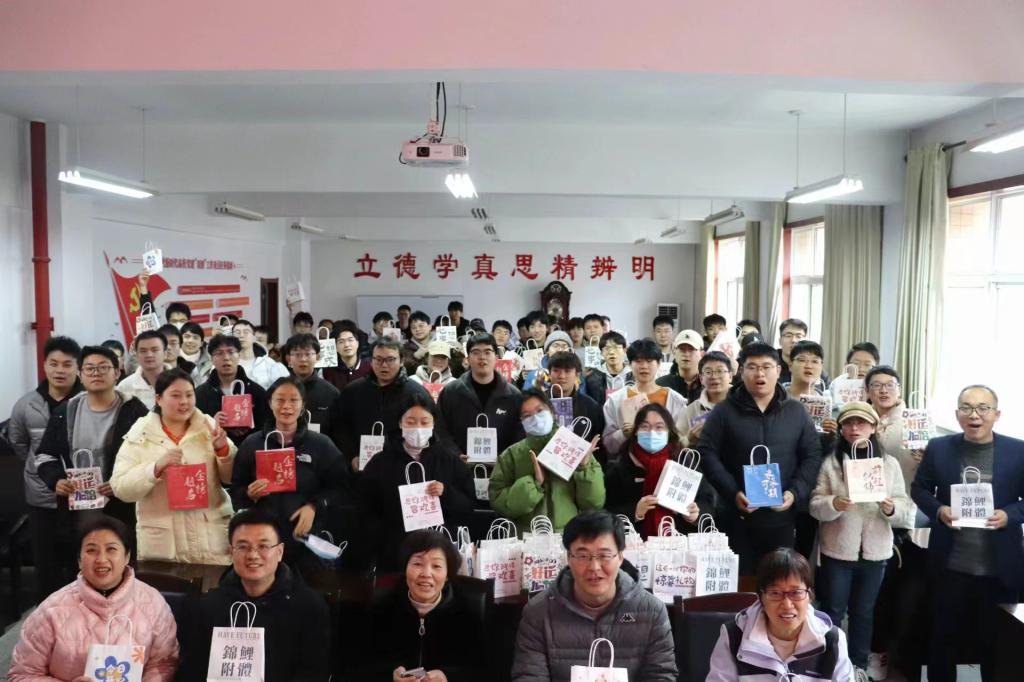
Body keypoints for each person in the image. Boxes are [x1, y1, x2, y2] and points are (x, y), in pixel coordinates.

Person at [911, 385, 1024, 682]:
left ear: (997, 414)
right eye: (967, 408)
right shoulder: (939, 447)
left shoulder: (1018, 450)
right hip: (950, 564)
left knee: (994, 643)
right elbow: (919, 488)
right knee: (942, 639)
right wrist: (939, 510)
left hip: (998, 568)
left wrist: (1009, 515)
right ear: (957, 414)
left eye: (983, 408)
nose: (975, 415)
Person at [697, 342, 822, 573]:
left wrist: (794, 492)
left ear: (778, 370)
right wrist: (733, 492)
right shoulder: (724, 411)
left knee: (778, 579)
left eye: (766, 367)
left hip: (781, 517)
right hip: (735, 515)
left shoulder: (796, 411)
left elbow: (812, 455)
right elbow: (706, 452)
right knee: (739, 582)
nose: (760, 374)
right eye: (752, 367)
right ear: (741, 371)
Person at [8, 516, 179, 682]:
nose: (101, 559)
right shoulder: (51, 611)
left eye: (111, 549)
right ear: (79, 560)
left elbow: (163, 664)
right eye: (91, 550)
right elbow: (21, 675)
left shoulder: (153, 603)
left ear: (127, 557)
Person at [511, 510, 677, 681]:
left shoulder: (652, 611)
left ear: (620, 557)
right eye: (583, 556)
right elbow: (530, 676)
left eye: (604, 555)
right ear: (568, 557)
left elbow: (661, 675)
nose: (594, 567)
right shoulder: (539, 612)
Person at [809, 402, 909, 677]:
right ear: (841, 429)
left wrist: (891, 508)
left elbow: (904, 506)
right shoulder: (832, 463)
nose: (855, 428)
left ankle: (859, 666)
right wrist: (834, 503)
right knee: (833, 610)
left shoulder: (889, 464)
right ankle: (831, 665)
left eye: (862, 423)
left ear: (874, 427)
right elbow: (815, 504)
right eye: (849, 423)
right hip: (838, 551)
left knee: (864, 612)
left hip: (876, 552)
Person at [36, 344, 151, 576]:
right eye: (89, 368)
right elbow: (45, 455)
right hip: (78, 511)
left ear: (117, 373)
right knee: (82, 568)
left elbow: (149, 459)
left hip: (122, 508)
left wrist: (123, 483)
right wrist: (56, 480)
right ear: (80, 374)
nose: (96, 373)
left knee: (121, 568)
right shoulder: (65, 411)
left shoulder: (135, 411)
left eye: (103, 367)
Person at [177, 509, 330, 681]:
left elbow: (313, 672)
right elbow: (192, 670)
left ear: (279, 552)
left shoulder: (309, 606)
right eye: (243, 547)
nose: (253, 555)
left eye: (263, 546)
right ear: (231, 552)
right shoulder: (207, 606)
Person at [110, 368, 237, 564]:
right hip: (164, 545)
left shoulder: (208, 427)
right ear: (158, 399)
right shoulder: (141, 433)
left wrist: (222, 450)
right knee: (167, 585)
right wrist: (154, 469)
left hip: (211, 540)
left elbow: (233, 478)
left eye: (189, 395)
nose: (184, 401)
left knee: (215, 583)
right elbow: (120, 488)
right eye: (176, 396)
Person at [232, 377, 349, 574]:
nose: (286, 406)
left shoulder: (321, 444)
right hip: (263, 542)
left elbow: (341, 488)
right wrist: (249, 494)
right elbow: (236, 491)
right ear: (270, 403)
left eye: (294, 400)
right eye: (280, 400)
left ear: (303, 406)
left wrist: (314, 506)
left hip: (307, 541)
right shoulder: (252, 444)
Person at [359, 393, 475, 570]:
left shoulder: (449, 461)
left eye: (424, 422)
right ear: (400, 423)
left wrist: (446, 493)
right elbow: (366, 509)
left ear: (434, 424)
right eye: (411, 422)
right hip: (394, 554)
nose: (418, 428)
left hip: (440, 553)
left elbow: (468, 507)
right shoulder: (380, 462)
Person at [9, 335, 84, 601]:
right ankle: (47, 614)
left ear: (78, 368)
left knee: (80, 560)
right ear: (44, 366)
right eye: (54, 363)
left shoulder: (88, 402)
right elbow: (19, 443)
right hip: (41, 496)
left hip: (81, 495)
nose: (60, 370)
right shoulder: (26, 404)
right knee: (46, 563)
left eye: (67, 364)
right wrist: (40, 469)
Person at [706, 548, 854, 682]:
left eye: (796, 593)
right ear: (761, 598)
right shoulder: (734, 636)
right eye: (775, 593)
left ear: (809, 595)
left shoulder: (832, 640)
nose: (787, 604)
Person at [357, 529, 487, 681]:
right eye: (418, 563)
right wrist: (390, 676)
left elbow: (483, 673)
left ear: (447, 575)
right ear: (405, 569)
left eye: (436, 566)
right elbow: (360, 668)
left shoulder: (466, 615)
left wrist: (447, 677)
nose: (426, 573)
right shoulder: (381, 611)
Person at [489, 388, 604, 534]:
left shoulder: (576, 448)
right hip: (527, 538)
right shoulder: (511, 456)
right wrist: (534, 484)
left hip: (568, 536)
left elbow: (594, 503)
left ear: (551, 411)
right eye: (527, 416)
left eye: (540, 410)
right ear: (521, 422)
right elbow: (499, 502)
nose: (536, 419)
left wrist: (584, 469)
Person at [605, 403, 714, 537]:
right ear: (636, 431)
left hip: (680, 541)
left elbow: (707, 500)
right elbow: (606, 511)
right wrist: (635, 511)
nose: (652, 432)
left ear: (669, 431)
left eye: (659, 427)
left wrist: (695, 514)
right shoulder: (622, 465)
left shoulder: (684, 460)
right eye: (645, 426)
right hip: (635, 542)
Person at [334, 338, 433, 469]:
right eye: (378, 359)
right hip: (361, 466)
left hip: (402, 466)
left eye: (390, 359)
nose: (384, 365)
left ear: (401, 361)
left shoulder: (416, 394)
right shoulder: (353, 391)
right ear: (371, 361)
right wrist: (351, 456)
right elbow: (340, 428)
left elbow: (428, 433)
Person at [437, 332, 523, 457]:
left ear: (496, 357)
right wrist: (456, 455)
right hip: (459, 465)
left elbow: (519, 434)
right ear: (467, 359)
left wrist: (504, 458)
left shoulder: (513, 395)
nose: (482, 357)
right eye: (476, 352)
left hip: (502, 466)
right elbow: (441, 429)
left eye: (487, 352)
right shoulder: (450, 392)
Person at [602, 338, 687, 460]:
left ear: (659, 363)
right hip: (628, 464)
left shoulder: (675, 400)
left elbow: (682, 440)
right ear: (630, 364)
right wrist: (623, 434)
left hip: (667, 463)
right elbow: (608, 445)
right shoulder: (615, 400)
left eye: (649, 361)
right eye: (638, 361)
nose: (644, 366)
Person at [195, 333, 269, 444]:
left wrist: (250, 427)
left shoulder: (257, 392)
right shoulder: (200, 394)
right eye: (219, 353)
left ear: (239, 355)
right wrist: (212, 424)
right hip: (213, 450)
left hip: (249, 450)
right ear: (211, 358)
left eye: (231, 352)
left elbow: (266, 427)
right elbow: (194, 431)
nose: (226, 358)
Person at [536, 351, 604, 453]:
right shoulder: (536, 403)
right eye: (556, 371)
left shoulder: (591, 406)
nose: (562, 376)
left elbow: (598, 445)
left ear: (577, 374)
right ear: (549, 374)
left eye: (567, 371)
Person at [283, 332, 341, 436]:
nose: (303, 359)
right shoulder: (278, 390)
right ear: (288, 359)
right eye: (297, 354)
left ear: (318, 357)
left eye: (308, 354)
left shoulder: (331, 393)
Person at [676, 350, 731, 448]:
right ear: (701, 378)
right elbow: (675, 447)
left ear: (730, 376)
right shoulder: (690, 411)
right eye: (708, 372)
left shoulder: (745, 404)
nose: (714, 377)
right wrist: (689, 439)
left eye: (720, 371)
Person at [117, 330, 167, 409]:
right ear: (136, 355)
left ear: (165, 354)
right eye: (143, 351)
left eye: (154, 350)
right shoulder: (124, 387)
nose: (149, 355)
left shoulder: (180, 381)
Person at [234, 318, 289, 389]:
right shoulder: (229, 363)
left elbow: (285, 390)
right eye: (237, 332)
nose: (255, 342)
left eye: (260, 340)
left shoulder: (273, 366)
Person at [582, 331, 633, 406]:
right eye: (607, 348)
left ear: (624, 350)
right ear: (601, 352)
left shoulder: (633, 376)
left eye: (616, 347)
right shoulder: (592, 378)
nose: (611, 352)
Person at [656, 329, 704, 403]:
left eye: (691, 349)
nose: (686, 354)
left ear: (702, 354)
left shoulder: (709, 385)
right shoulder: (661, 385)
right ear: (674, 352)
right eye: (682, 349)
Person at [323, 321, 372, 391]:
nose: (346, 345)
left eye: (350, 340)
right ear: (335, 347)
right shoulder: (328, 371)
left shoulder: (369, 368)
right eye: (341, 342)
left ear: (357, 343)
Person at [402, 310, 435, 375]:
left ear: (430, 327)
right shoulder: (406, 347)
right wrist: (415, 356)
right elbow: (402, 366)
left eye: (421, 326)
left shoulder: (439, 343)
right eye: (413, 327)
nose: (417, 329)